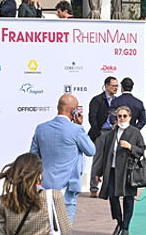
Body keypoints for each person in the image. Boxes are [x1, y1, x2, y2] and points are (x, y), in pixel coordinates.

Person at [29, 94, 96, 222]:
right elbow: (90, 150)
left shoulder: (41, 128)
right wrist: (80, 126)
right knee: (65, 226)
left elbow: (33, 156)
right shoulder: (76, 130)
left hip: (45, 185)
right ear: (73, 111)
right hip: (67, 186)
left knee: (46, 224)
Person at [94, 106, 146, 235]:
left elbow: (141, 149)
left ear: (130, 117)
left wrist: (130, 147)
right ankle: (119, 222)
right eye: (119, 116)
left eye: (124, 116)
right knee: (113, 197)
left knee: (128, 198)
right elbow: (104, 154)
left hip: (128, 171)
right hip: (112, 170)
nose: (122, 118)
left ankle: (126, 227)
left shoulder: (134, 132)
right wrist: (99, 172)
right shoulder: (111, 133)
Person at [0, 152, 72, 235]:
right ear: (38, 175)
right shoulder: (53, 196)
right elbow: (66, 231)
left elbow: (0, 233)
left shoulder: (3, 201)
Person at [88, 76, 120, 197]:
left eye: (117, 86)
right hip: (101, 132)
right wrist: (97, 132)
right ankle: (94, 187)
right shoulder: (97, 100)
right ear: (106, 86)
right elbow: (92, 117)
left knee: (114, 160)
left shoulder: (118, 101)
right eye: (113, 86)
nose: (115, 88)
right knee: (98, 160)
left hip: (114, 132)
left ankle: (111, 187)